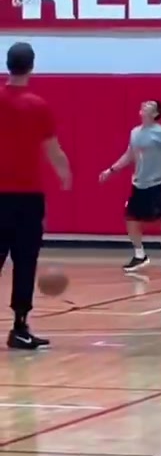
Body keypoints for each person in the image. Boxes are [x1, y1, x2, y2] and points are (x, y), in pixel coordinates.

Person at [0, 42, 72, 350]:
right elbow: (53, 150)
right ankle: (19, 328)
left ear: (7, 63)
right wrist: (65, 173)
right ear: (31, 66)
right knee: (25, 262)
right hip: (27, 197)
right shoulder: (38, 105)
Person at [99, 100, 161, 275]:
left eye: (150, 106)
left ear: (155, 114)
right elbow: (129, 155)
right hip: (138, 183)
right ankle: (140, 255)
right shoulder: (135, 132)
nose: (144, 106)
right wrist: (111, 170)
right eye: (144, 104)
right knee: (131, 219)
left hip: (157, 183)